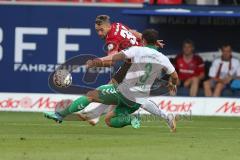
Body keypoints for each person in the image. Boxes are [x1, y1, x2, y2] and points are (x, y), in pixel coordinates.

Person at [44, 29, 178, 132]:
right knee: (109, 120)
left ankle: (60, 115)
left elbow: (115, 57)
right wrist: (172, 84)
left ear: (142, 40)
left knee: (91, 96)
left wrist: (97, 61)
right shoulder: (163, 58)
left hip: (124, 92)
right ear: (155, 43)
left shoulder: (137, 50)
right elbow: (175, 76)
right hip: (138, 100)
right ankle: (130, 119)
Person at [75, 15, 164, 126]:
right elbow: (134, 33)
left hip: (136, 63)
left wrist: (95, 64)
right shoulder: (118, 25)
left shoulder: (111, 38)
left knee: (121, 92)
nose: (99, 33)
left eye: (101, 30)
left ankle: (95, 115)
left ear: (108, 26)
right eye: (97, 31)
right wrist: (153, 42)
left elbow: (111, 61)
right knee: (116, 88)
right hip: (137, 61)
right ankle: (97, 115)